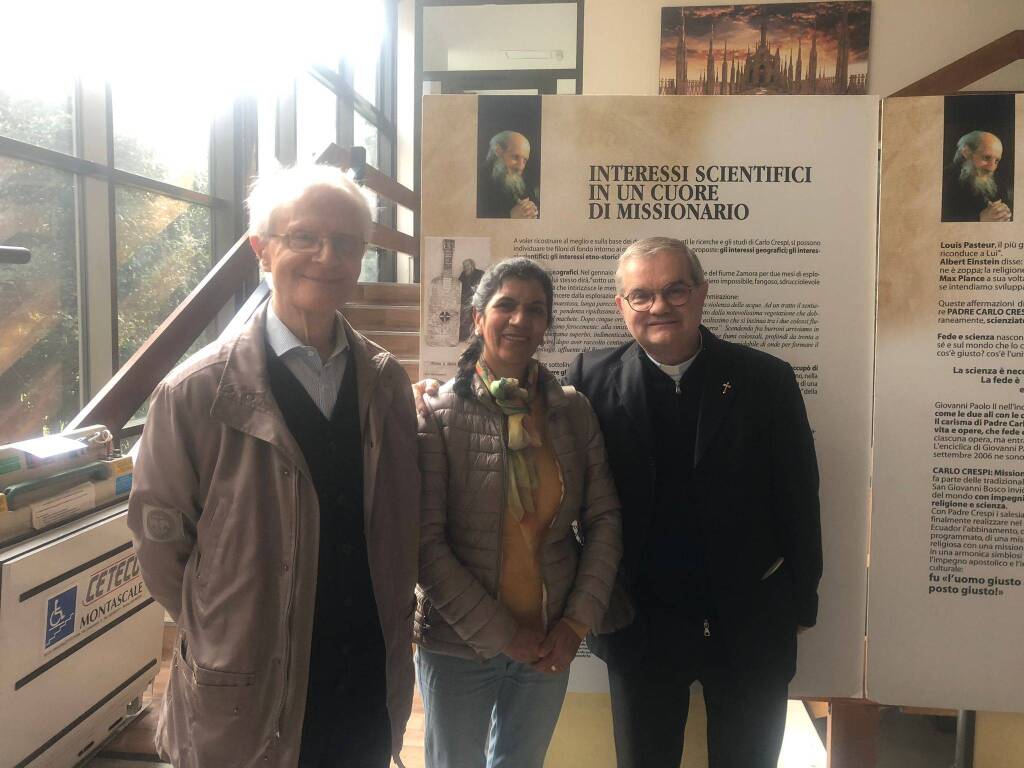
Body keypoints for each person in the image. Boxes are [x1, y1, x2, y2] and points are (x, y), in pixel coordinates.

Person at [127, 165, 419, 768]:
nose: (326, 257)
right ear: (262, 250)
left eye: (345, 243)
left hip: (362, 669)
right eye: (304, 237)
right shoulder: (196, 393)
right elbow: (161, 542)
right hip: (248, 685)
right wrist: (222, 628)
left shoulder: (385, 382)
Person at [566, 237, 822, 768]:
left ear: (701, 293)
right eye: (641, 295)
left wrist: (801, 601)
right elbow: (552, 469)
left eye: (675, 290)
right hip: (640, 624)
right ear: (622, 307)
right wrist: (440, 391)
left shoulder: (767, 380)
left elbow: (798, 495)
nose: (659, 306)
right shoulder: (588, 379)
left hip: (749, 620)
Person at [415, 257, 623, 768]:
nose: (519, 320)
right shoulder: (437, 413)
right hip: (457, 644)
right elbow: (424, 543)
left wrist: (575, 625)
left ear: (547, 325)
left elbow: (604, 519)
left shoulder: (572, 411)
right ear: (476, 317)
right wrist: (502, 634)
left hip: (549, 643)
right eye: (505, 305)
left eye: (535, 310)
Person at [941, 130, 1013, 222]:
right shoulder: (944, 180)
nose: (991, 168)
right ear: (966, 152)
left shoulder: (997, 181)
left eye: (996, 161)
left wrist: (1004, 213)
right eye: (986, 158)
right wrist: (980, 219)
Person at [478, 130, 540, 219]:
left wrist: (531, 211)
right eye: (515, 157)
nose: (520, 167)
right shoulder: (478, 179)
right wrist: (510, 216)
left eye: (524, 161)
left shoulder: (521, 182)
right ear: (498, 151)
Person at [458, 257, 485, 340]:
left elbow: (484, 284)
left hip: (476, 298)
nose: (466, 267)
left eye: (467, 265)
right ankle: (464, 336)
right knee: (463, 314)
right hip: (465, 299)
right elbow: (458, 284)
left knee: (468, 313)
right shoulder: (463, 274)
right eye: (464, 266)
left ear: (472, 265)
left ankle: (470, 336)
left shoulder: (480, 273)